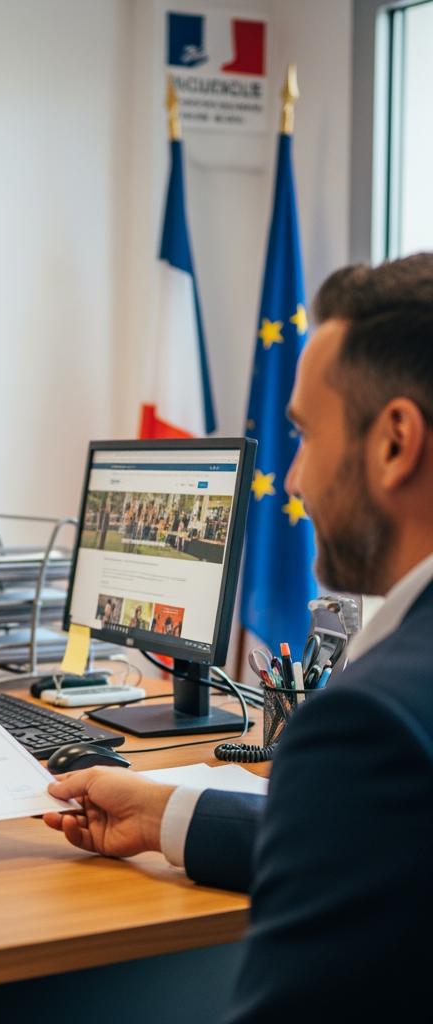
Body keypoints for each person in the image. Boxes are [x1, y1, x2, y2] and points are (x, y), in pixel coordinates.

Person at [43, 253, 433, 1018]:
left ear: (394, 442)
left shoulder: (371, 722)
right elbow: (383, 846)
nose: (291, 481)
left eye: (304, 437)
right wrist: (165, 814)